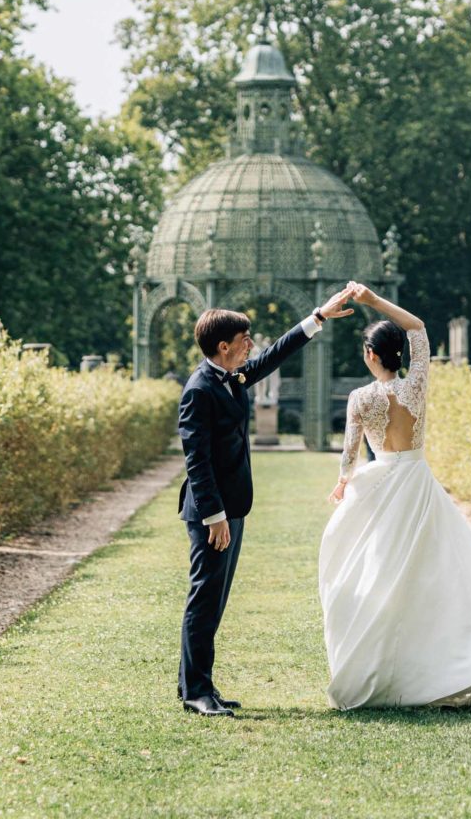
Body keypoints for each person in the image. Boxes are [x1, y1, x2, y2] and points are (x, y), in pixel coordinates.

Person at [319, 281, 471, 710]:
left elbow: (349, 456)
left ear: (370, 355)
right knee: (435, 578)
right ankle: (443, 668)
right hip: (420, 485)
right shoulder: (417, 383)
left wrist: (343, 481)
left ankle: (381, 666)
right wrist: (373, 300)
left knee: (377, 576)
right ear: (398, 354)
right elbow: (418, 327)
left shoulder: (360, 398)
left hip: (382, 486)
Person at [177, 286, 354, 717]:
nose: (251, 345)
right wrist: (215, 517)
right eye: (244, 340)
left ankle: (200, 684)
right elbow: (197, 462)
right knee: (204, 597)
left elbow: (275, 354)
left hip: (233, 508)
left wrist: (319, 316)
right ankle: (196, 692)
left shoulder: (232, 377)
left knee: (215, 598)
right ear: (224, 346)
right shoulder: (199, 390)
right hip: (211, 513)